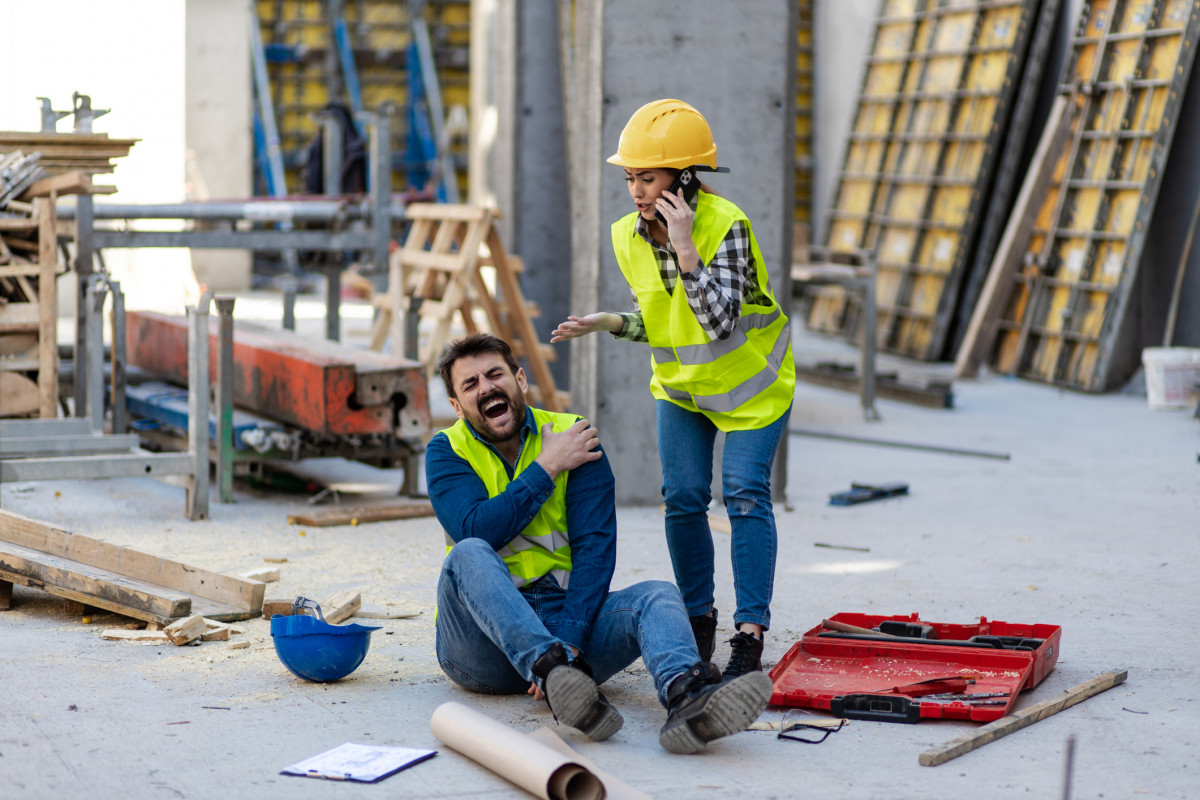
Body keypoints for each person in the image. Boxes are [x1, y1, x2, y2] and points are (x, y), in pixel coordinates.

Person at [426, 333, 772, 754]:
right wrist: (547, 466)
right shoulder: (446, 450)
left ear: (519, 379)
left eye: (495, 374)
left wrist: (570, 643)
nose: (486, 387)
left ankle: (687, 697)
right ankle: (549, 670)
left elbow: (595, 548)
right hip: (481, 646)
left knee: (658, 595)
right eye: (470, 384)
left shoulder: (574, 436)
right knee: (468, 553)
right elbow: (476, 528)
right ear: (456, 407)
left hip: (567, 631)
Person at [551, 99, 795, 681]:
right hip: (683, 391)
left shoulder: (724, 225)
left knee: (742, 494)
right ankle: (696, 618)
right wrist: (608, 322)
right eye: (631, 177)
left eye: (649, 177)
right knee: (683, 498)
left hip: (752, 390)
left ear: (685, 178)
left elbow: (715, 322)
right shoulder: (625, 236)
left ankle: (749, 633)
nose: (636, 190)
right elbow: (659, 318)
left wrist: (686, 246)